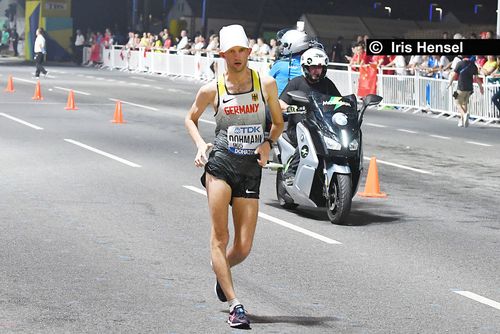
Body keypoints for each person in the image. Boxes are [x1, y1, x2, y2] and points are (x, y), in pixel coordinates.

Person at [184, 24, 284, 329]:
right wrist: (201, 145)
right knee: (220, 236)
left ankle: (221, 271)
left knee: (242, 246)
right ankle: (235, 304)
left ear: (250, 52)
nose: (237, 56)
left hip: (251, 168)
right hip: (221, 165)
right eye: (231, 51)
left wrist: (267, 144)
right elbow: (190, 118)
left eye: (242, 50)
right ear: (222, 54)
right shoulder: (212, 89)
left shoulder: (265, 84)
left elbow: (278, 124)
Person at [280, 47, 341, 183]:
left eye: (319, 67)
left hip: (322, 128)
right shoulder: (296, 82)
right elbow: (280, 103)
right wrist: (292, 108)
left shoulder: (327, 84)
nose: (316, 70)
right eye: (312, 67)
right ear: (305, 67)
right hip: (298, 128)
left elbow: (339, 101)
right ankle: (290, 172)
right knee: (310, 140)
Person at [447, 55, 484, 127]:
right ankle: (462, 121)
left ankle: (464, 115)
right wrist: (481, 87)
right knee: (464, 103)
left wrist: (450, 83)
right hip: (469, 88)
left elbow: (454, 75)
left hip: (461, 87)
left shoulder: (460, 64)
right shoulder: (473, 65)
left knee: (456, 101)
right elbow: (477, 78)